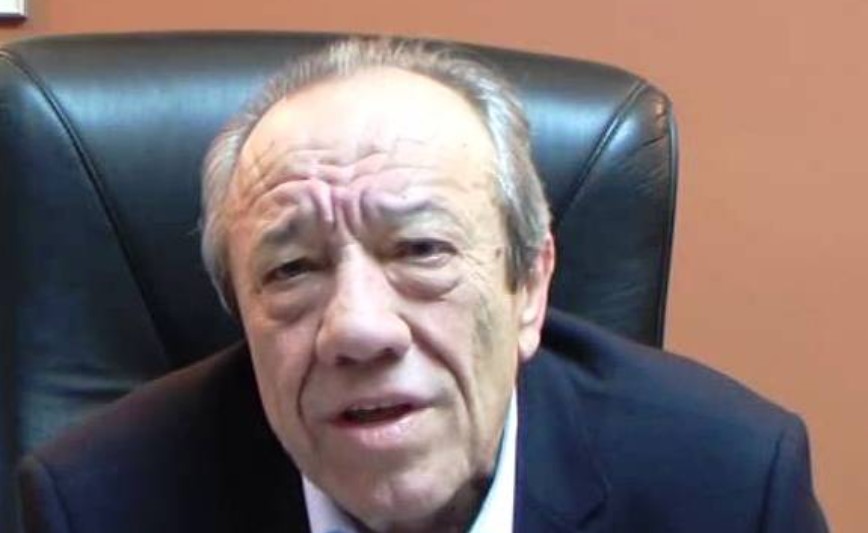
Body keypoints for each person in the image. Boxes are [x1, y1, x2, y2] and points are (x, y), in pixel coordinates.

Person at [18, 38, 827, 533]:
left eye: (420, 249)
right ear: (240, 310)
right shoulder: (98, 505)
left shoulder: (728, 484)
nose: (359, 328)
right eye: (291, 269)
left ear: (529, 285)